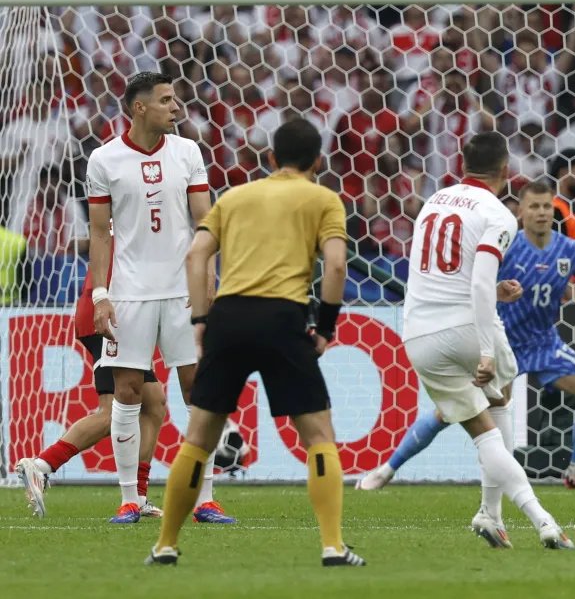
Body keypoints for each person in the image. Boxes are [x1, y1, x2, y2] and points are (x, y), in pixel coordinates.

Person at [147, 119, 362, 567]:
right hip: (283, 317)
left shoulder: (236, 196)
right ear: (318, 162)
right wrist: (324, 327)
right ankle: (332, 546)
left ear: (269, 158)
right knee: (318, 435)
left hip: (228, 315)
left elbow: (196, 254)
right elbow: (337, 266)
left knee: (200, 436)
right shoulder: (323, 199)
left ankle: (165, 544)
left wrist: (201, 317)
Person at [358, 180, 575, 492]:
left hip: (544, 342)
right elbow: (475, 284)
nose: (541, 213)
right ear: (520, 211)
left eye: (547, 206)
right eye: (534, 206)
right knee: (448, 412)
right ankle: (387, 469)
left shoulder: (569, 249)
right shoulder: (506, 244)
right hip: (501, 341)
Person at [399, 133, 575, 550]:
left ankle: (490, 514)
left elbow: (440, 277)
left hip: (419, 331)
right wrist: (482, 348)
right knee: (495, 423)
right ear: (504, 172)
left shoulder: (433, 202)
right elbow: (477, 280)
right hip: (465, 327)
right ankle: (544, 520)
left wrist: (494, 291)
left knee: (490, 419)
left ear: (462, 164)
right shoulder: (498, 213)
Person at [81, 72, 232, 525]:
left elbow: (205, 220)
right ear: (139, 107)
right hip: (129, 295)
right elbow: (99, 235)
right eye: (166, 100)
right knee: (127, 391)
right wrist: (102, 295)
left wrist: (209, 275)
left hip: (183, 292)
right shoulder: (103, 160)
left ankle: (203, 496)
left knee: (196, 390)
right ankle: (130, 498)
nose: (176, 107)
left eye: (175, 99)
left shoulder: (188, 151)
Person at [15, 257, 166, 519]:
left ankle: (139, 496)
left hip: (117, 310)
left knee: (154, 403)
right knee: (115, 412)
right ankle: (41, 466)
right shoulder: (130, 221)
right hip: (111, 313)